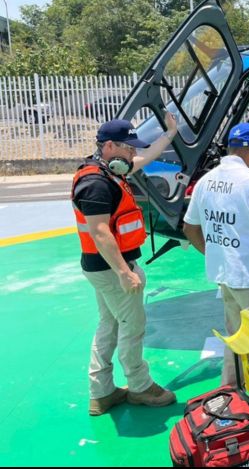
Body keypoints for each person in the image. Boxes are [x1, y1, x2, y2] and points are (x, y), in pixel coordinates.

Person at [72, 113, 178, 416]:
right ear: (108, 147)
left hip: (102, 267)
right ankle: (140, 387)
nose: (132, 153)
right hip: (111, 269)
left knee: (109, 325)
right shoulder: (95, 183)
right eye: (128, 147)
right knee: (133, 327)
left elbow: (147, 156)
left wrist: (170, 133)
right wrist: (124, 272)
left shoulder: (110, 171)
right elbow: (100, 232)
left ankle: (101, 392)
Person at [182, 123, 249, 401]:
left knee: (236, 336)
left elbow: (189, 228)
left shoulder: (206, 181)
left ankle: (230, 392)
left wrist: (214, 252)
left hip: (225, 274)